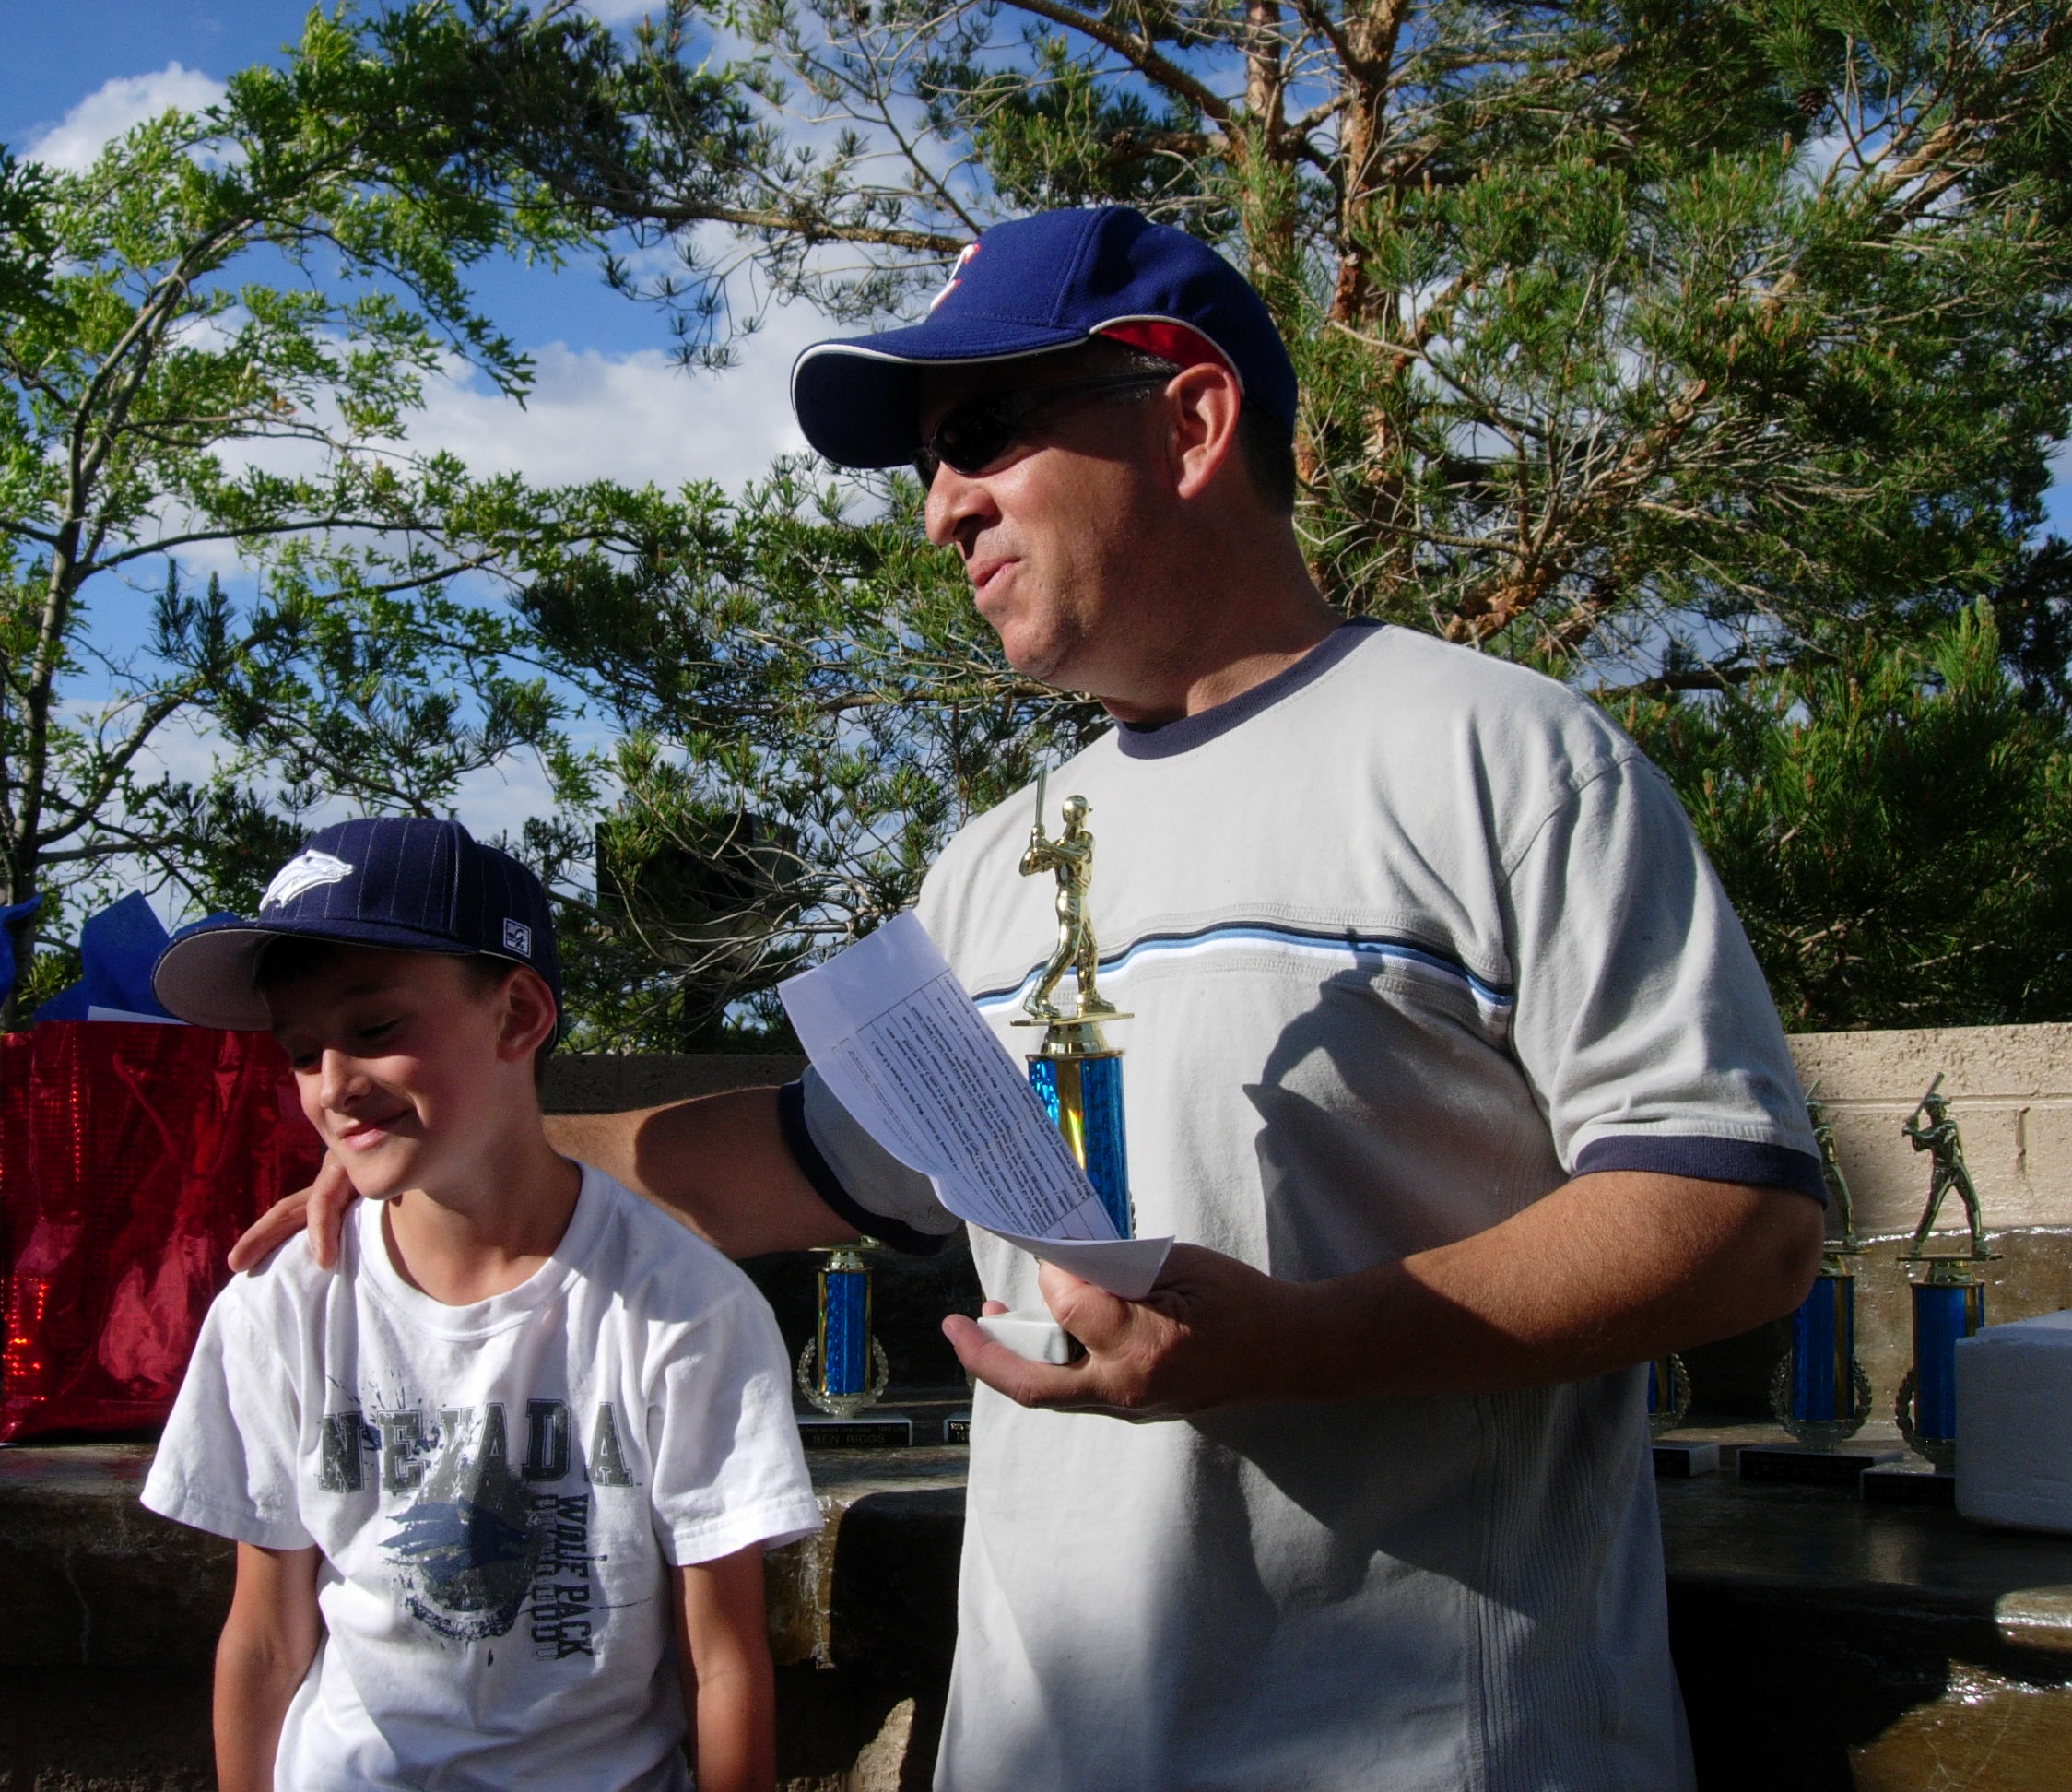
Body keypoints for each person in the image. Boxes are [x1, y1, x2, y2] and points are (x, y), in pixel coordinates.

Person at [233, 209, 1828, 1789]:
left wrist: (1293, 1343)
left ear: (1191, 419)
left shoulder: (1498, 755)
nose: (941, 509)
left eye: (981, 433)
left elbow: (1737, 1216)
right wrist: (459, 1152)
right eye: (925, 464)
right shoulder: (992, 867)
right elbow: (795, 1161)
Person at [144, 817, 819, 1792]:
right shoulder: (284, 1305)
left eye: (376, 1031)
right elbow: (264, 1638)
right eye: (299, 1051)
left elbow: (721, 1660)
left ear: (517, 1017)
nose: (333, 1086)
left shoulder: (683, 1310)